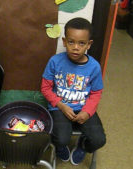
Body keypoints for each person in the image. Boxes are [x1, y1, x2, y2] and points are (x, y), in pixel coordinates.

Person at [41, 17, 106, 165]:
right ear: (64, 42)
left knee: (98, 140)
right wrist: (61, 105)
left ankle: (83, 145)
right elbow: (45, 88)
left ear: (88, 44)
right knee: (61, 138)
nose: (76, 47)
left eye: (81, 43)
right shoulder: (55, 61)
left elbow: (96, 93)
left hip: (83, 107)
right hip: (59, 107)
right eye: (71, 42)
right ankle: (61, 147)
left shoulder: (94, 67)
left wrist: (87, 111)